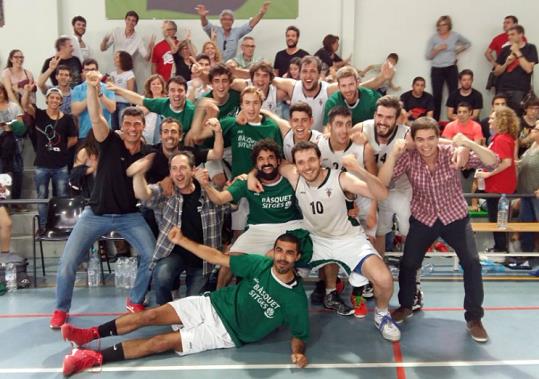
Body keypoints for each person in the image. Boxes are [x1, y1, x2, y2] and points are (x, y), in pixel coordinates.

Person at [59, 231, 309, 376]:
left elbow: (299, 334)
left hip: (224, 333)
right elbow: (217, 256)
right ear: (274, 251)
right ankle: (88, 335)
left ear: (297, 257)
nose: (282, 257)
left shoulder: (296, 299)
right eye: (279, 250)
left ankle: (90, 358)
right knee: (151, 315)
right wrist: (182, 240)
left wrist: (298, 352)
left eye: (289, 253)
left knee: (159, 342)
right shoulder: (261, 264)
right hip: (211, 304)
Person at [49, 71, 156, 329]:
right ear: (121, 126)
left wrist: (145, 165)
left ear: (143, 127)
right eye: (128, 124)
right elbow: (95, 117)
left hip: (129, 215)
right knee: (68, 263)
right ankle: (61, 309)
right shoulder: (109, 140)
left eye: (137, 125)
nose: (132, 128)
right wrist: (93, 88)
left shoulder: (148, 151)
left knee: (152, 256)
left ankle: (135, 299)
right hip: (95, 214)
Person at [379, 118, 499, 343]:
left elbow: (493, 162)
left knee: (472, 263)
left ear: (438, 137)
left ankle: (474, 318)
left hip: (455, 216)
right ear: (413, 141)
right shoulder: (408, 157)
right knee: (408, 263)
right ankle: (406, 305)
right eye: (420, 140)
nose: (426, 145)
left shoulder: (451, 152)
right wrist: (394, 154)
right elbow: (383, 181)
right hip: (423, 218)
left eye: (431, 138)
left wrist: (468, 143)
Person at [274, 141, 399, 341]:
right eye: (301, 162)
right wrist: (253, 175)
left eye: (311, 160)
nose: (307, 166)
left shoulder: (341, 178)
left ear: (320, 160)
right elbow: (272, 162)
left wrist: (358, 169)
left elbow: (382, 193)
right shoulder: (294, 175)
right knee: (274, 262)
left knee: (384, 279)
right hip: (317, 240)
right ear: (296, 165)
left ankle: (382, 314)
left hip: (348, 240)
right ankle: (277, 310)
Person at [127, 150, 228, 305]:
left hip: (203, 258)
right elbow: (144, 193)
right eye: (174, 168)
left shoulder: (209, 191)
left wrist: (209, 185)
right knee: (161, 274)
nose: (178, 173)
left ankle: (182, 310)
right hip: (173, 253)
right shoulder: (166, 191)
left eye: (182, 168)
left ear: (193, 170)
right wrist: (138, 175)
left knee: (193, 304)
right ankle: (166, 309)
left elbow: (230, 204)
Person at [21, 87, 78, 229]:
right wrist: (27, 91)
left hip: (61, 165)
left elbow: (74, 138)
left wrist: (63, 148)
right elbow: (25, 105)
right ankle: (43, 226)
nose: (54, 100)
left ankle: (62, 225)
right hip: (42, 165)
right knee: (42, 197)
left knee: (62, 197)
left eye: (57, 98)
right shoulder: (39, 114)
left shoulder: (67, 119)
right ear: (47, 99)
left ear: (61, 101)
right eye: (52, 97)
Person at [476, 107, 519, 252]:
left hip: (500, 187)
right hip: (497, 185)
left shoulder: (502, 139)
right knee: (496, 218)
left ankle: (501, 249)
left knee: (498, 219)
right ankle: (499, 247)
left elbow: (507, 162)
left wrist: (488, 174)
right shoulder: (500, 138)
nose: (489, 120)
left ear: (501, 120)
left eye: (493, 118)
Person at [107, 76, 195, 135]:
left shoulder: (191, 110)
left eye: (180, 90)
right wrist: (117, 89)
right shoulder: (163, 103)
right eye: (172, 90)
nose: (176, 94)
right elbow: (138, 99)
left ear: (185, 92)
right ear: (168, 92)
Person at [426, 15, 471, 120]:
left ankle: (455, 120)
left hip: (451, 68)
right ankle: (435, 122)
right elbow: (428, 56)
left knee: (453, 94)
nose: (442, 27)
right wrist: (437, 49)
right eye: (440, 25)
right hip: (437, 69)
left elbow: (468, 44)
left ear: (448, 25)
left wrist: (456, 51)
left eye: (444, 25)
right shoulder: (434, 38)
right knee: (437, 96)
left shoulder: (455, 36)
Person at [195, 2, 271, 62]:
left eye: (230, 19)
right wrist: (203, 16)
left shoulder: (236, 32)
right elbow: (205, 25)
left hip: (230, 67)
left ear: (233, 21)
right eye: (225, 19)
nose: (227, 22)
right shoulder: (215, 30)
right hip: (214, 65)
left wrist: (261, 14)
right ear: (221, 21)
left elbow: (250, 25)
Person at [494, 25, 537, 113]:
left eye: (512, 34)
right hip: (503, 89)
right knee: (501, 116)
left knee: (517, 117)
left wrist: (517, 52)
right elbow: (496, 72)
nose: (509, 37)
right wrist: (506, 64)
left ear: (521, 35)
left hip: (520, 89)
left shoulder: (530, 48)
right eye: (508, 35)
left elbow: (529, 69)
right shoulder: (505, 49)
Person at [71, 59, 116, 141]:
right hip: (85, 134)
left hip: (105, 133)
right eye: (87, 70)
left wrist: (99, 93)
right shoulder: (77, 89)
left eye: (92, 70)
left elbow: (112, 109)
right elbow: (75, 111)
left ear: (98, 71)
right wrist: (91, 91)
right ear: (83, 72)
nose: (90, 73)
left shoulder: (107, 87)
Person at [0, 83, 25, 204]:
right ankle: (3, 205)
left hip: (15, 145)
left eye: (0, 92)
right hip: (1, 146)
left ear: (4, 92)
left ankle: (16, 203)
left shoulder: (14, 106)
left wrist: (8, 125)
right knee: (1, 176)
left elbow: (21, 127)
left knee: (18, 173)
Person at [517, 122, 539, 253]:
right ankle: (527, 255)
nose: (533, 131)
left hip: (536, 193)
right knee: (525, 224)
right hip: (526, 193)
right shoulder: (533, 145)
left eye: (536, 129)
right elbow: (524, 162)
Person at [108, 51, 136, 130]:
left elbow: (130, 92)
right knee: (113, 127)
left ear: (122, 59)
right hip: (112, 103)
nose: (114, 59)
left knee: (123, 126)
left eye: (117, 57)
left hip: (124, 103)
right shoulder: (112, 74)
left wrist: (115, 89)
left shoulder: (129, 74)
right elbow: (109, 90)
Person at [139, 74, 166, 144]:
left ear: (162, 86)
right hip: (146, 134)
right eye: (153, 84)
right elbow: (139, 114)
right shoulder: (143, 99)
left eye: (158, 84)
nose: (156, 86)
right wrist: (155, 103)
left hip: (163, 136)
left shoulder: (167, 101)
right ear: (149, 87)